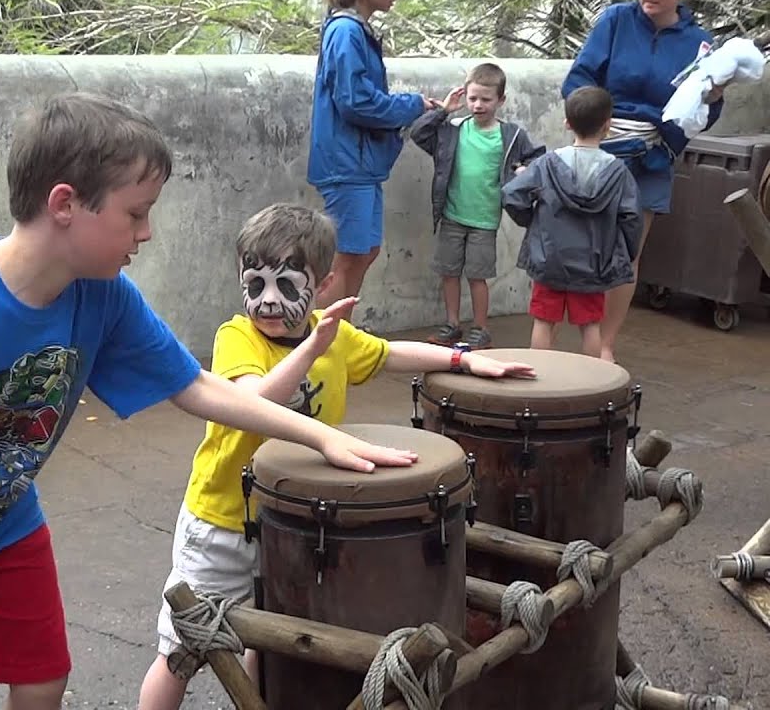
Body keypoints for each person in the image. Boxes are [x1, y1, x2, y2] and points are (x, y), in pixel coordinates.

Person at [0, 92, 422, 710]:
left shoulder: (103, 295)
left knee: (41, 681)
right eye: (135, 213)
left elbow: (196, 387)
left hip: (3, 531)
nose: (147, 233)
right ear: (66, 204)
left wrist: (320, 436)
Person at [135, 203, 537, 710]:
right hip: (220, 524)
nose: (268, 301)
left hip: (289, 521)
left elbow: (392, 354)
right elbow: (252, 401)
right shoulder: (237, 336)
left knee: (268, 639)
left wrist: (464, 359)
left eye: (286, 286)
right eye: (254, 284)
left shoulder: (333, 332)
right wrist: (312, 348)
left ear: (322, 285)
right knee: (183, 646)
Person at [561, 0, 725, 362]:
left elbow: (701, 116)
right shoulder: (616, 20)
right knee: (584, 245)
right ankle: (567, 336)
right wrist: (595, 126)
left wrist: (712, 98)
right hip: (599, 146)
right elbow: (578, 80)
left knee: (626, 253)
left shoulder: (699, 43)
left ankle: (604, 345)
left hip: (651, 155)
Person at [307, 0, 438, 325]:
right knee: (347, 258)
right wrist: (410, 105)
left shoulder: (353, 30)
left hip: (359, 164)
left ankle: (340, 336)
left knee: (364, 252)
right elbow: (355, 101)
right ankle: (315, 340)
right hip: (346, 163)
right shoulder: (346, 31)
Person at [409, 62, 546, 350]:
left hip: (484, 220)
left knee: (477, 275)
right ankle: (452, 324)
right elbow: (419, 133)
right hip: (451, 216)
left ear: (501, 100)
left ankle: (481, 328)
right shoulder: (454, 130)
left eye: (486, 99)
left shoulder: (511, 135)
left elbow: (537, 160)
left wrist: (524, 170)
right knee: (449, 272)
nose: (478, 105)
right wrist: (444, 110)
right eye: (473, 98)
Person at [501, 86, 644, 357]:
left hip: (549, 259)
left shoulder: (547, 164)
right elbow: (632, 218)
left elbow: (512, 195)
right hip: (594, 263)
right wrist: (624, 251)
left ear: (567, 123)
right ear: (608, 125)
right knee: (590, 326)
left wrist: (532, 223)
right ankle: (589, 381)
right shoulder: (618, 171)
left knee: (544, 321)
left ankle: (539, 373)